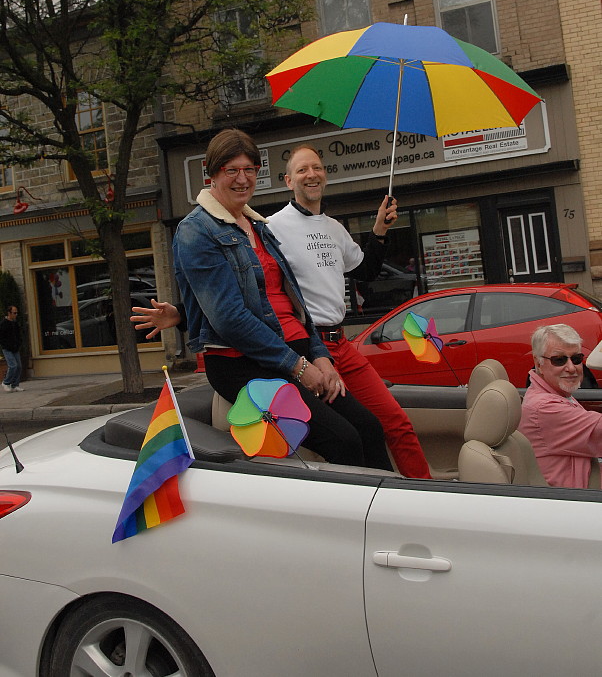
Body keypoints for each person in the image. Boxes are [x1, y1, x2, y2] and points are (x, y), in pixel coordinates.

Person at [133, 142, 431, 478]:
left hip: (305, 345)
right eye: (232, 170)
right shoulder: (206, 229)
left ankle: (401, 504)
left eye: (249, 170)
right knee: (345, 438)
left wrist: (318, 355)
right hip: (254, 357)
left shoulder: (258, 227)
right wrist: (300, 365)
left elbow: (291, 299)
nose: (242, 179)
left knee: (371, 427)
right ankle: (363, 517)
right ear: (212, 173)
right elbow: (229, 313)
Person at [267, 143, 431, 479]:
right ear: (288, 181)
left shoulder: (334, 228)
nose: (311, 175)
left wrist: (380, 230)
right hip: (308, 349)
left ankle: (428, 494)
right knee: (359, 431)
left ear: (325, 175)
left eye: (317, 168)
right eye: (302, 170)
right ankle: (378, 497)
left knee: (397, 423)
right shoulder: (271, 228)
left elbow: (366, 270)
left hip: (342, 344)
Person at [518, 323, 602, 489]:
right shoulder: (544, 408)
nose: (571, 368)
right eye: (559, 360)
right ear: (538, 363)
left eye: (576, 359)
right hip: (574, 504)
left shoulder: (556, 394)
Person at [1, 304, 23, 392]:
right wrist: (6, 345)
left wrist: (18, 343)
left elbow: (18, 335)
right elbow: (2, 337)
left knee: (19, 366)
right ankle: (6, 382)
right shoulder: (3, 324)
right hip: (7, 348)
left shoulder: (15, 323)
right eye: (14, 313)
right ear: (9, 313)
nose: (16, 315)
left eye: (17, 313)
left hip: (15, 348)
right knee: (13, 365)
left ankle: (15, 385)